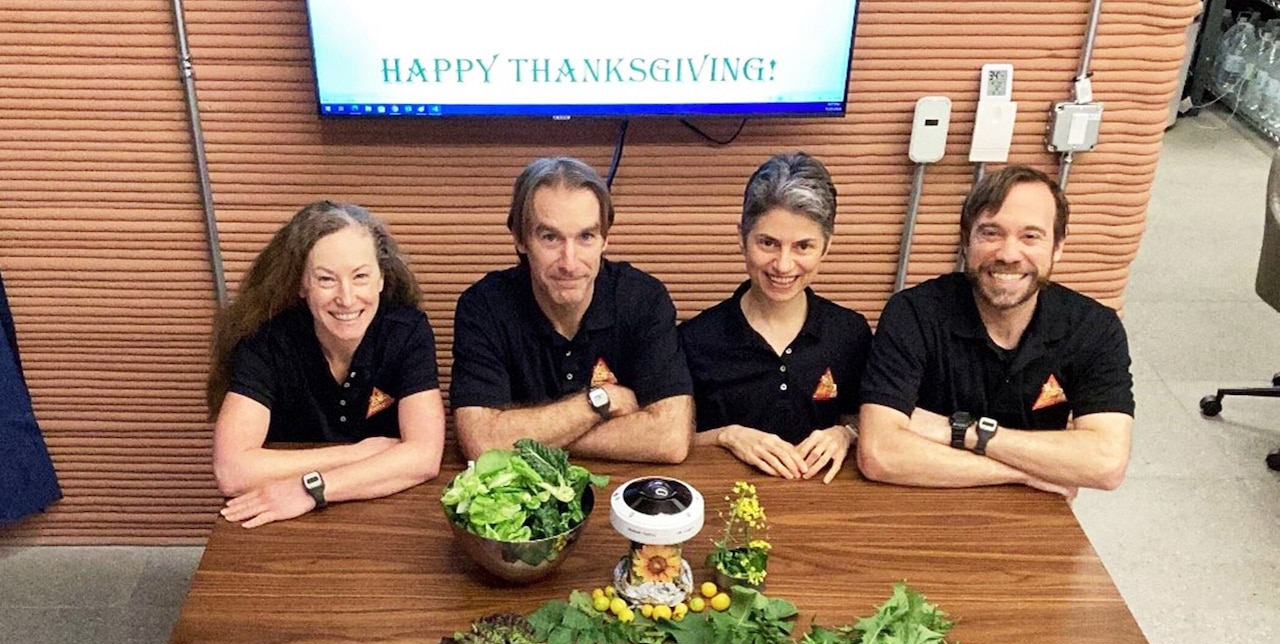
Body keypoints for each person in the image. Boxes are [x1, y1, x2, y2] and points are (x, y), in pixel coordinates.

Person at [857, 164, 1134, 497]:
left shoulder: (1095, 329)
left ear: (1058, 247)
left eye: (1030, 236)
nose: (1008, 254)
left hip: (1032, 520)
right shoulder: (913, 313)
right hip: (919, 503)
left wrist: (965, 432)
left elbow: (1105, 464)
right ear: (966, 241)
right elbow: (880, 454)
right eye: (991, 233)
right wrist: (1021, 475)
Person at [207, 201, 445, 528]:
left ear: (381, 279)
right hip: (282, 517)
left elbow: (424, 457)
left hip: (384, 509)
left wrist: (311, 488)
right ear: (302, 285)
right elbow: (232, 471)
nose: (346, 298)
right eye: (326, 279)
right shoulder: (266, 340)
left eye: (360, 276)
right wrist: (359, 453)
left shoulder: (408, 332)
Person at [449, 156, 693, 463]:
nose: (569, 262)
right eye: (550, 237)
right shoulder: (483, 305)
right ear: (520, 238)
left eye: (586, 237)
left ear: (605, 238)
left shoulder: (644, 298)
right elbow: (481, 443)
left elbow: (669, 439)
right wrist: (602, 401)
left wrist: (527, 436)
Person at [679, 152, 871, 482]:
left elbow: (867, 418)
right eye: (768, 243)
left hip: (824, 506)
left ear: (826, 248)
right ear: (741, 238)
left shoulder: (850, 332)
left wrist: (846, 434)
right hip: (720, 506)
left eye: (803, 247)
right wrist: (728, 435)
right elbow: (671, 441)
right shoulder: (694, 339)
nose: (783, 265)